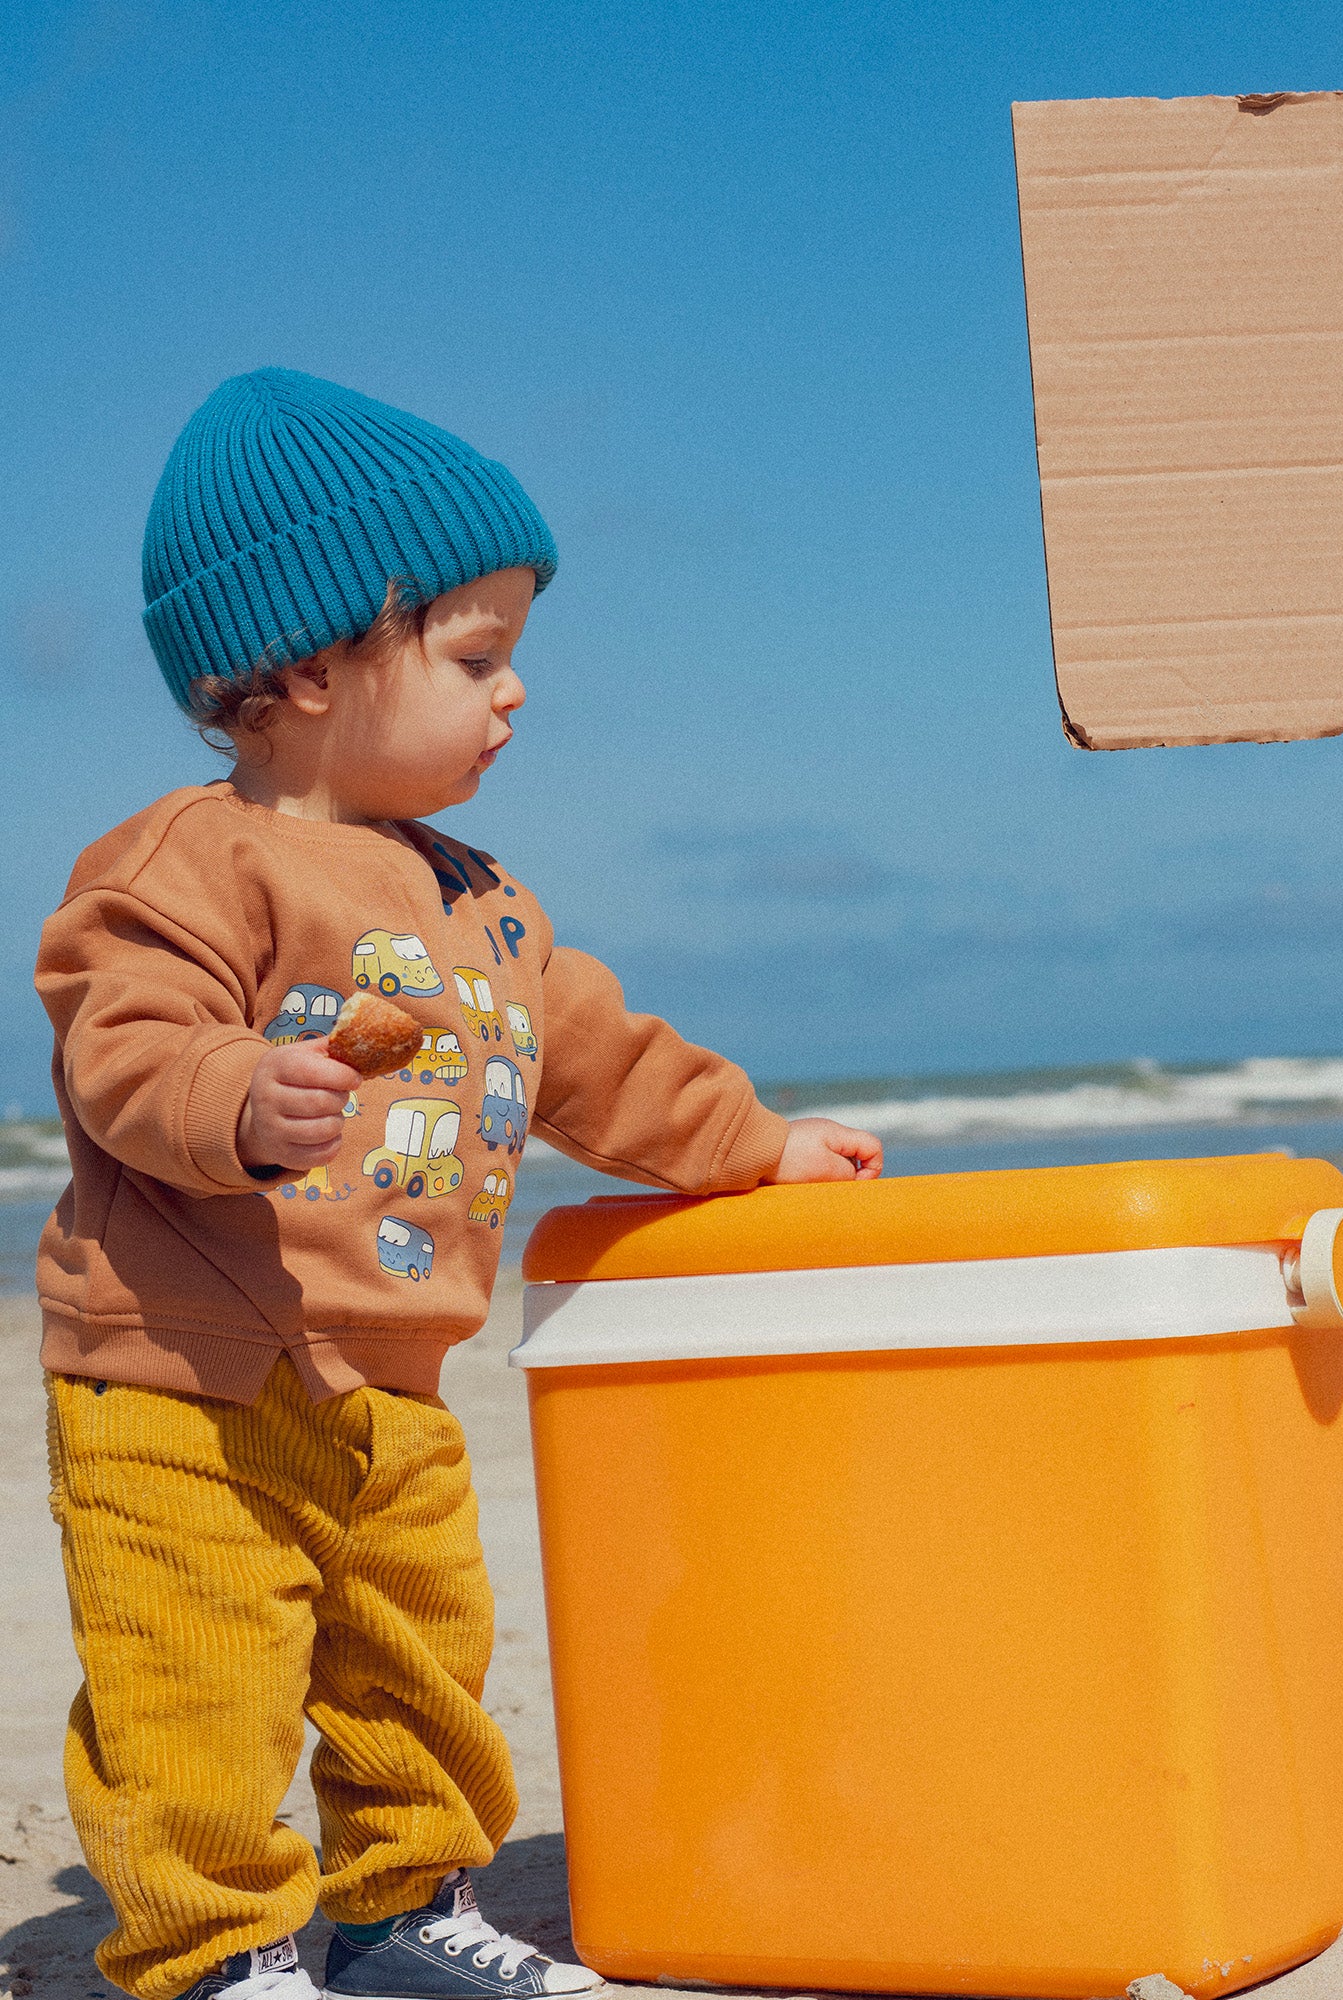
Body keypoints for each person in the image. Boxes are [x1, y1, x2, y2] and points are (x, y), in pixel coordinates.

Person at [35, 369, 883, 2000]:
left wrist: (751, 1144)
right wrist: (235, 1094)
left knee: (421, 1656)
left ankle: (402, 1907)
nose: (514, 698)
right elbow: (121, 1046)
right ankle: (213, 1950)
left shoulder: (486, 907)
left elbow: (596, 1060)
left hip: (398, 1376)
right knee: (196, 1679)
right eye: (476, 657)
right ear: (296, 667)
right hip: (182, 1376)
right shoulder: (184, 863)